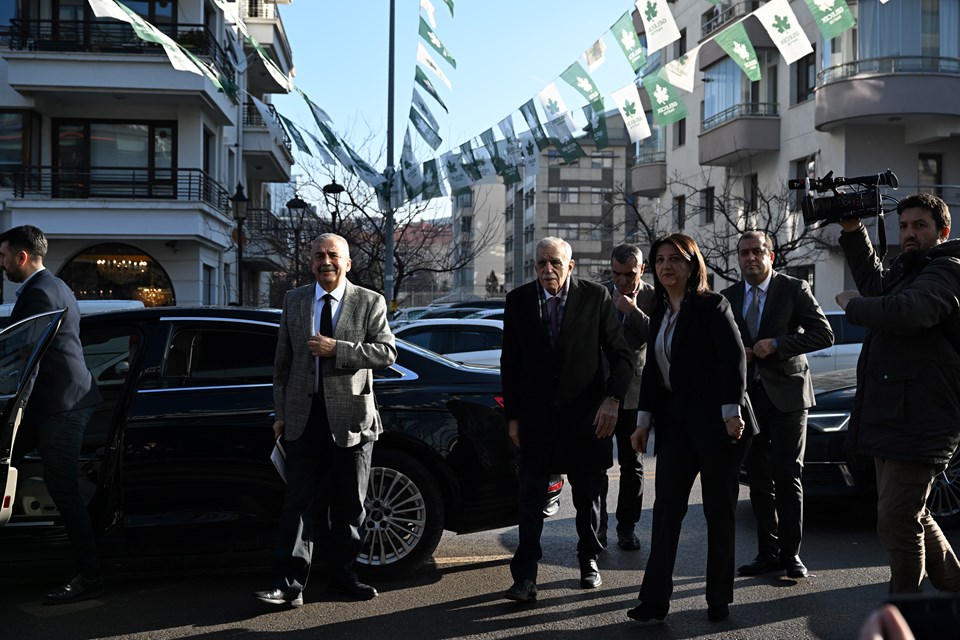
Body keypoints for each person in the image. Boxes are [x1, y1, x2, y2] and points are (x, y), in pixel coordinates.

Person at [254, 233, 396, 607]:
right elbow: (281, 366)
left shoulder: (369, 301)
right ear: (311, 262)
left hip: (352, 419)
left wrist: (339, 349)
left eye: (334, 255)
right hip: (304, 419)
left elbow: (387, 353)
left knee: (350, 506)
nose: (326, 261)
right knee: (298, 505)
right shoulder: (295, 300)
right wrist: (281, 414)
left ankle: (343, 579)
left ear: (348, 263)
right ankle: (288, 586)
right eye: (319, 255)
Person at [835, 193, 960, 594]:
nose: (908, 234)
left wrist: (855, 307)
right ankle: (954, 582)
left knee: (896, 519)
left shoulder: (946, 271)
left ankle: (904, 609)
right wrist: (853, 230)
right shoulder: (912, 269)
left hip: (924, 419)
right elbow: (877, 284)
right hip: (895, 415)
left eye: (919, 226)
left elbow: (908, 310)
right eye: (904, 226)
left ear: (943, 232)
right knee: (912, 513)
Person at [626, 233, 751, 624]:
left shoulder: (713, 306)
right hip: (677, 425)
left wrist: (731, 413)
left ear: (692, 264)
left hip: (719, 426)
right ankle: (653, 601)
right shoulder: (660, 310)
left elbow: (734, 362)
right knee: (666, 512)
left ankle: (718, 600)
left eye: (675, 259)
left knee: (719, 514)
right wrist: (642, 423)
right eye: (660, 259)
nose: (666, 266)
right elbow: (653, 375)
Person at [500, 236, 633, 602]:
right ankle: (525, 577)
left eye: (555, 263)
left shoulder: (595, 297)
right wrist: (513, 417)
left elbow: (622, 357)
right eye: (541, 263)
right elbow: (510, 364)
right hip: (536, 421)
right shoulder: (519, 300)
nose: (547, 270)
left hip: (587, 419)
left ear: (570, 266)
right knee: (529, 500)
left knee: (588, 496)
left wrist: (612, 399)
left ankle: (588, 559)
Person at [0, 225, 103, 604]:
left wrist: (11, 408)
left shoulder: (40, 293)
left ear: (22, 257)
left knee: (64, 490)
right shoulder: (55, 286)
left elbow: (27, 360)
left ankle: (89, 575)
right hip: (64, 401)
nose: (2, 263)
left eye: (4, 255)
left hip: (61, 406)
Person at [721, 230, 833, 580]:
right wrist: (742, 354)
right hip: (749, 399)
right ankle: (766, 553)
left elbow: (823, 333)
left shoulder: (793, 288)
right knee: (758, 480)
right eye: (744, 253)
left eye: (757, 251)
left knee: (788, 474)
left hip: (788, 396)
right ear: (737, 258)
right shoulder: (728, 296)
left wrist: (778, 344)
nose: (750, 258)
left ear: (771, 256)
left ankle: (791, 554)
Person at [599, 243, 655, 551]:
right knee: (598, 464)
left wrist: (633, 312)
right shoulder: (599, 294)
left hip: (635, 393)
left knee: (632, 464)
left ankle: (627, 527)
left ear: (641, 270)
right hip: (602, 391)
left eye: (629, 274)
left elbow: (660, 336)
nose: (621, 281)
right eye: (616, 274)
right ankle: (600, 527)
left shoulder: (651, 296)